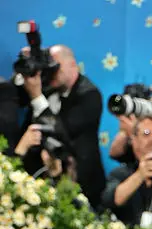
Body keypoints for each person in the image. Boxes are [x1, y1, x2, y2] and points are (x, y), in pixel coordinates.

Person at [19, 44, 105, 207]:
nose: (51, 71)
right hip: (43, 179)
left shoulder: (89, 95)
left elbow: (62, 132)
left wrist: (37, 96)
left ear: (73, 65)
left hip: (82, 183)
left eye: (56, 67)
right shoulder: (48, 88)